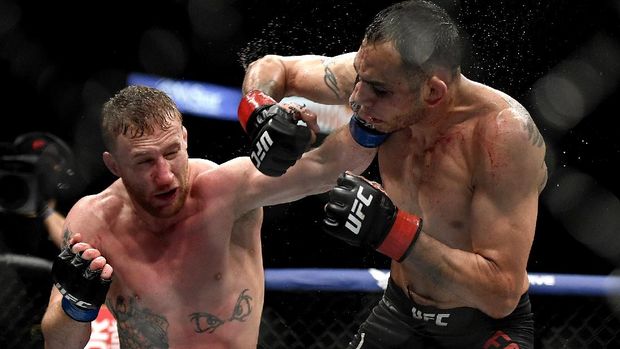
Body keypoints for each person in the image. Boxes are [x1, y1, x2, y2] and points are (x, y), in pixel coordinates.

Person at [237, 0, 548, 347]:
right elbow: (273, 67)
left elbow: (500, 293)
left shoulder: (502, 136)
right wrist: (259, 110)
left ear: (433, 92)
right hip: (400, 312)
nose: (357, 100)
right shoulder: (374, 79)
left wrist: (389, 229)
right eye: (359, 77)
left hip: (484, 329)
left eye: (379, 91)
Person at [40, 84, 326, 348]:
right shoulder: (92, 220)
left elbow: (328, 168)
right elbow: (58, 344)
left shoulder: (228, 191)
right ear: (114, 164)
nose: (163, 176)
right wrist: (74, 307)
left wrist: (308, 137)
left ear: (185, 139)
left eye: (171, 152)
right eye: (144, 161)